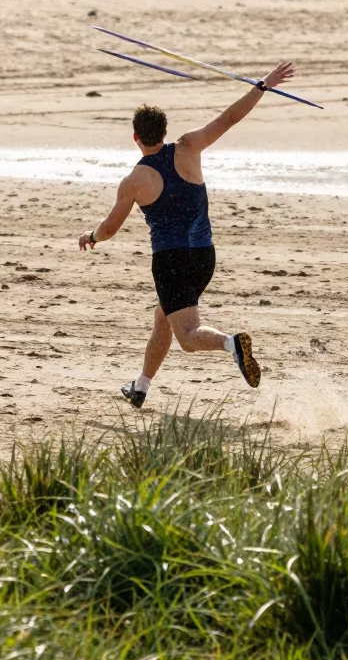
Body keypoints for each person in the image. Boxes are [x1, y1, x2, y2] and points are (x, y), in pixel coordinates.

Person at [78, 61, 296, 408]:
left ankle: (231, 343)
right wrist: (262, 85)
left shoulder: (135, 180)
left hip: (171, 261)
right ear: (164, 131)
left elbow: (109, 229)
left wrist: (91, 236)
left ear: (136, 137)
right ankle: (141, 387)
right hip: (205, 255)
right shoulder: (189, 146)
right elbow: (228, 119)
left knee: (188, 336)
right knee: (163, 317)